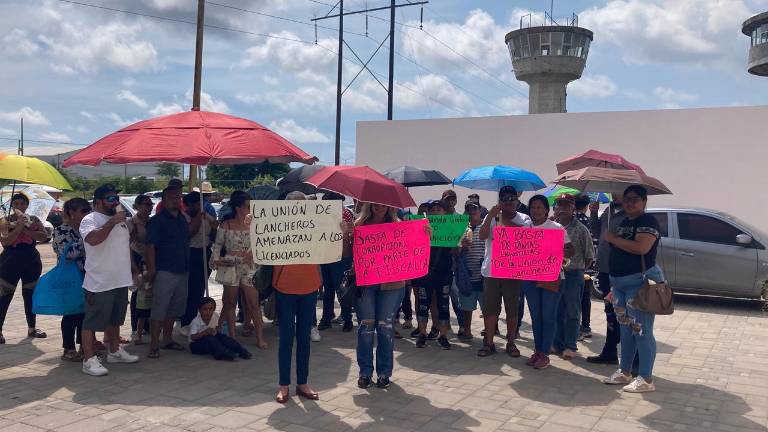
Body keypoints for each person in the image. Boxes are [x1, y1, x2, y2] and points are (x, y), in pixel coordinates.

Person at [602, 185, 664, 393]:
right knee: (626, 330)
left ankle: (646, 378)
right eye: (626, 198)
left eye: (635, 199)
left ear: (644, 201)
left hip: (639, 284)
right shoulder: (624, 221)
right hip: (619, 285)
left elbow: (641, 248)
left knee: (642, 331)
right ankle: (625, 371)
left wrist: (614, 239)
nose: (629, 202)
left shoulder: (648, 222)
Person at [79, 184, 139, 376]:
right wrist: (111, 222)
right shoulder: (90, 219)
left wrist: (134, 269)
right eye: (110, 199)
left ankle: (114, 351)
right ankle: (88, 360)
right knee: (92, 322)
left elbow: (125, 247)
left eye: (117, 198)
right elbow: (93, 240)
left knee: (115, 319)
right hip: (99, 282)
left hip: (120, 280)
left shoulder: (121, 221)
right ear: (97, 201)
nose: (115, 202)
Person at [273, 191, 323, 403]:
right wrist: (251, 223)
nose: (296, 209)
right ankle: (284, 384)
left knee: (304, 338)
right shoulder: (275, 226)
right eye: (292, 205)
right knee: (285, 338)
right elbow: (258, 241)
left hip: (309, 287)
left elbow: (331, 245)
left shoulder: (315, 227)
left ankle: (302, 382)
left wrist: (341, 230)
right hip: (284, 287)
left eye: (300, 205)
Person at [353, 203, 408, 389]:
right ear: (368, 205)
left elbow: (410, 249)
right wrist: (346, 234)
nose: (379, 207)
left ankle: (384, 372)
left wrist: (425, 234)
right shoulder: (358, 225)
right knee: (366, 328)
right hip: (366, 283)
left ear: (390, 206)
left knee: (385, 328)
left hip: (392, 284)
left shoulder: (399, 225)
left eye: (383, 204)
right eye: (374, 203)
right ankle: (365, 373)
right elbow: (345, 253)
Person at [145, 187, 201, 358]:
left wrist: (199, 215)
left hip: (182, 269)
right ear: (164, 200)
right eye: (171, 197)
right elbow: (150, 246)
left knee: (175, 309)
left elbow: (189, 234)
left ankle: (167, 339)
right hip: (165, 270)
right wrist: (152, 269)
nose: (175, 200)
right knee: (159, 309)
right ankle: (154, 344)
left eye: (178, 197)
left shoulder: (182, 219)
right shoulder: (157, 221)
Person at [477, 186, 531, 358]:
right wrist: (491, 216)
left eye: (511, 199)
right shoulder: (491, 217)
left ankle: (511, 342)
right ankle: (489, 343)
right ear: (499, 201)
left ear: (517, 200)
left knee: (512, 310)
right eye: (504, 199)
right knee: (490, 310)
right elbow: (482, 236)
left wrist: (504, 220)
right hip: (491, 271)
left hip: (512, 272)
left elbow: (524, 237)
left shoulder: (525, 218)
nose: (508, 202)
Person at [210, 190, 268, 349]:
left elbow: (263, 242)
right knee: (230, 302)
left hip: (249, 266)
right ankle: (233, 337)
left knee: (254, 303)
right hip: (230, 265)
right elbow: (218, 245)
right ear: (238, 207)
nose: (250, 209)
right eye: (247, 206)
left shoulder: (256, 223)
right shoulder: (226, 223)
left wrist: (253, 254)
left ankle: (260, 337)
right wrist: (217, 260)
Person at [523, 195, 573, 370]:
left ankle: (545, 353)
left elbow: (570, 250)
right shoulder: (525, 228)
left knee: (548, 316)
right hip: (529, 278)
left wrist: (552, 249)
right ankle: (538, 350)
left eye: (539, 207)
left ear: (546, 210)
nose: (536, 210)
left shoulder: (556, 227)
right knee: (536, 317)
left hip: (551, 278)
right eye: (533, 207)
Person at [0, 192, 49, 344]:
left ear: (27, 206)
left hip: (31, 260)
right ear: (11, 206)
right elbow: (6, 241)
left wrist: (26, 227)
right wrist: (18, 226)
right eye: (16, 204)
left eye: (23, 204)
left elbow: (43, 236)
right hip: (10, 260)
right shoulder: (4, 221)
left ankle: (32, 328)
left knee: (30, 295)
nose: (19, 207)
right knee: (4, 296)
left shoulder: (33, 219)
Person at [552, 194, 594, 360]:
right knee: (557, 310)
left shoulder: (581, 229)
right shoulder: (551, 227)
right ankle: (557, 343)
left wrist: (578, 269)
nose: (562, 208)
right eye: (559, 205)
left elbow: (589, 255)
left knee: (572, 311)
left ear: (573, 208)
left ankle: (570, 346)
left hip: (574, 274)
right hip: (554, 274)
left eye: (566, 205)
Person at [587, 195, 626, 365]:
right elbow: (596, 232)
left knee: (623, 313)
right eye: (614, 191)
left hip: (620, 270)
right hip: (604, 268)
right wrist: (594, 213)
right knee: (610, 311)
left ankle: (630, 357)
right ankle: (610, 351)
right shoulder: (609, 210)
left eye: (620, 191)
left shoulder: (629, 214)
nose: (616, 194)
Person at [51, 198, 91, 361]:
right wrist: (88, 241)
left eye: (88, 211)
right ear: (71, 213)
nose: (86, 214)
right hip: (70, 277)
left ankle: (84, 346)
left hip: (88, 275)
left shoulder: (87, 228)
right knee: (71, 313)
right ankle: (68, 348)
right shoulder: (61, 230)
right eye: (83, 211)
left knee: (86, 313)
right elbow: (67, 254)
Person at [414, 200, 453, 350]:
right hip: (425, 273)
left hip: (444, 273)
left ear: (444, 212)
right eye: (433, 209)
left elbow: (456, 251)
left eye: (439, 209)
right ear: (428, 213)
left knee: (443, 305)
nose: (436, 211)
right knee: (423, 305)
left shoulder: (452, 228)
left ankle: (443, 336)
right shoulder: (420, 227)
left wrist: (462, 243)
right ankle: (422, 334)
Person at [317, 192, 355, 333]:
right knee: (329, 289)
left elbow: (348, 235)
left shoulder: (345, 214)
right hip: (326, 254)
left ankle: (346, 318)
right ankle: (328, 317)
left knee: (341, 288)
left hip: (340, 256)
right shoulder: (322, 216)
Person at [180, 192, 217, 333]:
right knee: (191, 290)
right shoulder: (184, 217)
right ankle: (186, 321)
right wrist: (197, 217)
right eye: (194, 204)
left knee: (201, 288)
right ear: (188, 205)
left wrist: (212, 224)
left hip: (205, 252)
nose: (198, 206)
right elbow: (190, 233)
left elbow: (213, 233)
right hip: (192, 253)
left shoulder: (206, 215)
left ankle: (199, 319)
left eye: (199, 203)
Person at [189, 297, 251, 361]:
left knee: (223, 338)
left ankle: (240, 350)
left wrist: (216, 331)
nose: (208, 312)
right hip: (196, 345)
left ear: (214, 309)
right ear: (199, 310)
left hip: (211, 341)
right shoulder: (195, 321)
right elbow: (192, 338)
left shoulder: (215, 316)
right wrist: (205, 333)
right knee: (210, 338)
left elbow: (217, 329)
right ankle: (222, 354)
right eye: (205, 309)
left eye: (210, 309)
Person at [126, 194, 152, 344]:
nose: (149, 207)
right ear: (137, 206)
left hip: (150, 260)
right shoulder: (130, 223)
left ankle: (147, 325)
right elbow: (126, 247)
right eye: (146, 204)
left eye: (151, 204)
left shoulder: (153, 222)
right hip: (136, 259)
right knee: (137, 294)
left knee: (149, 292)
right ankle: (137, 327)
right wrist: (133, 267)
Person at [457, 200, 485, 341]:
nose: (472, 212)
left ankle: (489, 330)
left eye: (474, 209)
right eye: (468, 209)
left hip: (483, 276)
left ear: (480, 210)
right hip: (466, 275)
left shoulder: (486, 226)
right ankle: (467, 331)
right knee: (466, 307)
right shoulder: (461, 228)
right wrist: (461, 246)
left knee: (487, 308)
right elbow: (454, 251)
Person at [573, 193, 593, 340]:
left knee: (575, 299)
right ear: (586, 206)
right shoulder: (588, 221)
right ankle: (585, 326)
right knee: (585, 299)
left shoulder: (572, 222)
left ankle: (578, 328)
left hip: (575, 266)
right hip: (587, 266)